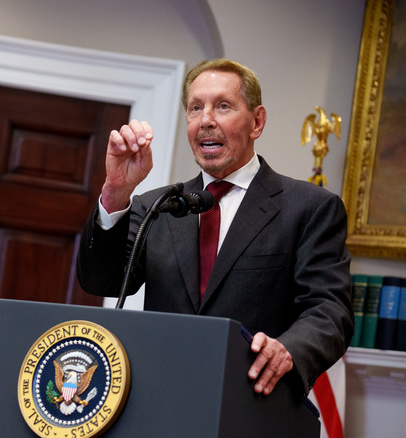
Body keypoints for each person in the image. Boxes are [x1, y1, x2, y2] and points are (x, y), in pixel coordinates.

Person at [76, 59, 353, 397]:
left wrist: (288, 350)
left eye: (223, 106)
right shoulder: (156, 207)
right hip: (160, 399)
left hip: (252, 403)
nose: (206, 120)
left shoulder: (308, 208)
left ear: (257, 121)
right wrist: (115, 192)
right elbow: (99, 280)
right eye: (195, 108)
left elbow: (330, 311)